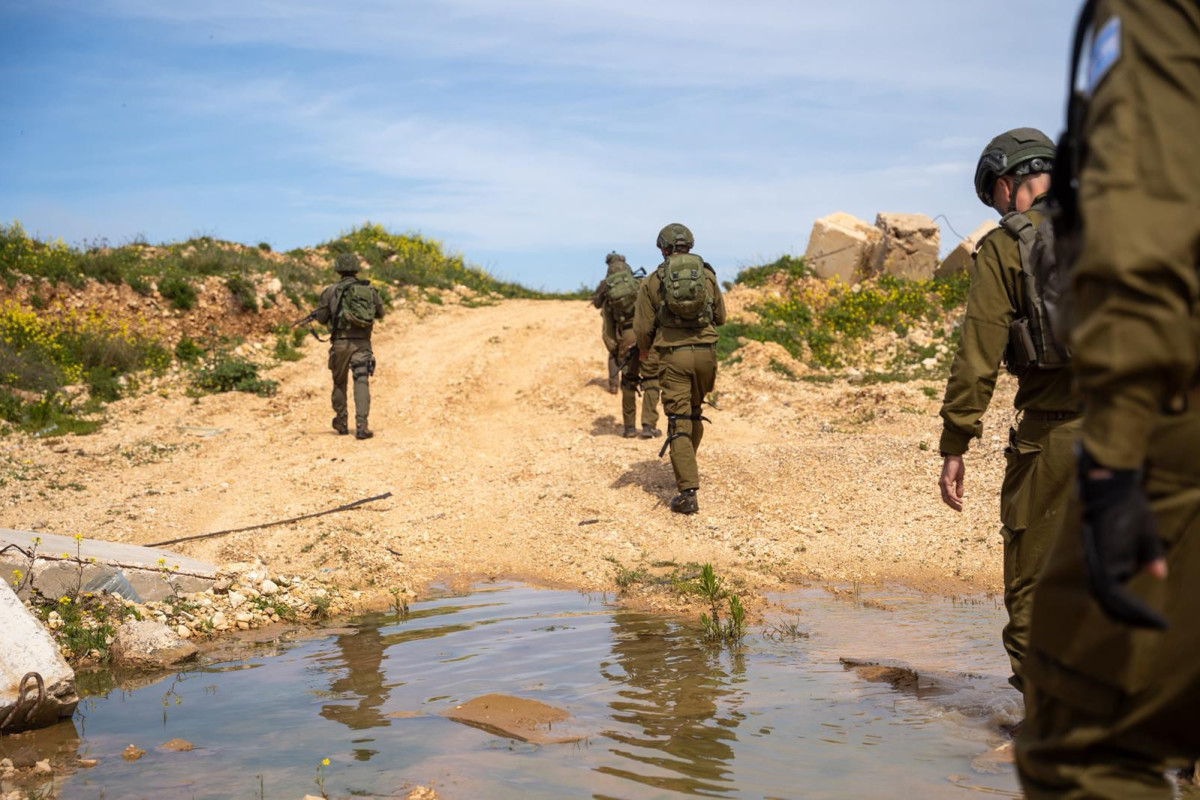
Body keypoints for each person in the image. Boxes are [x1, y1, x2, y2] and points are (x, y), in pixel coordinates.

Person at [1016, 3, 1200, 796]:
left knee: (1079, 741)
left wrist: (1118, 452)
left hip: (1158, 407)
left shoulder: (1152, 12)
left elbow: (1140, 223)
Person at [936, 127, 1080, 695]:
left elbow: (977, 359)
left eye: (996, 199)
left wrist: (955, 445)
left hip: (1056, 441)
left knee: (1035, 590)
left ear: (1006, 184)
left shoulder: (1008, 245)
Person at [633, 223, 726, 514]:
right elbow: (721, 317)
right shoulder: (707, 274)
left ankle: (687, 492)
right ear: (690, 245)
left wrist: (647, 351)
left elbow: (643, 328)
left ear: (663, 249)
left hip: (673, 356)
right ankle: (686, 461)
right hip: (706, 354)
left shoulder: (652, 281)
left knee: (678, 418)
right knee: (695, 412)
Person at [308, 252, 384, 440]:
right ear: (357, 269)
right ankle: (361, 425)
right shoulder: (369, 290)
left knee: (339, 382)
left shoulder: (330, 291)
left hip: (340, 343)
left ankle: (342, 422)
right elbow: (380, 313)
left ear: (338, 269)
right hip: (362, 344)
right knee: (361, 380)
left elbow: (323, 318)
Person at [595, 252, 662, 438]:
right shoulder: (640, 284)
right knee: (651, 379)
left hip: (626, 337)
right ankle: (648, 426)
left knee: (628, 382)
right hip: (646, 335)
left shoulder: (610, 296)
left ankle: (629, 428)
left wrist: (616, 350)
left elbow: (607, 329)